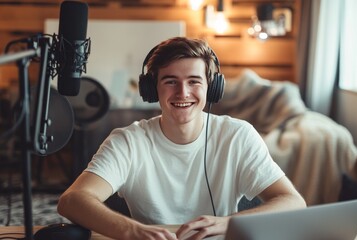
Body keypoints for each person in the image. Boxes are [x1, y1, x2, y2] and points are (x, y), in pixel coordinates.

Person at [57, 37, 306, 240]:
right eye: (170, 81)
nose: (183, 92)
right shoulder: (128, 141)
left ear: (212, 88)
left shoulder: (238, 136)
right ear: (153, 89)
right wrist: (133, 231)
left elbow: (292, 201)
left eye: (194, 81)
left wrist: (228, 223)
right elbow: (72, 200)